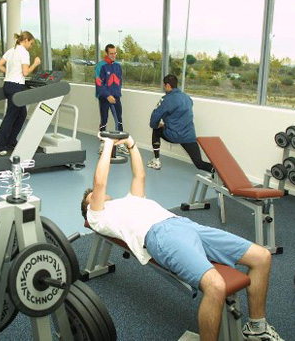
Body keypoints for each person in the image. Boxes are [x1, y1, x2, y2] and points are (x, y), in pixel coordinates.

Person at [80, 133, 284, 341]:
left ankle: (257, 328)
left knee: (261, 257)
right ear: (89, 208)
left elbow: (139, 176)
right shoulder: (98, 216)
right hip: (160, 235)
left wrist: (132, 145)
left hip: (186, 225)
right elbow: (99, 183)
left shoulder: (129, 200)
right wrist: (107, 146)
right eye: (92, 198)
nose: (100, 196)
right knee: (216, 286)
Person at [0, 31, 41, 155]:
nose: (31, 46)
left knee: (21, 114)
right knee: (11, 116)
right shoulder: (24, 52)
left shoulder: (11, 50)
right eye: (31, 43)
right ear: (26, 40)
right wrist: (35, 63)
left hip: (8, 85)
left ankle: (11, 141)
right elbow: (25, 72)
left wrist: (9, 72)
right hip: (16, 87)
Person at [147, 74, 212, 171]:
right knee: (199, 163)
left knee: (156, 129)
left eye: (164, 86)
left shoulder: (166, 99)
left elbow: (155, 117)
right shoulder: (187, 98)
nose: (164, 88)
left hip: (174, 135)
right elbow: (180, 114)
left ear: (168, 85)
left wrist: (155, 125)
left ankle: (156, 161)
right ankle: (219, 173)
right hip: (189, 136)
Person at [95, 44, 127, 155]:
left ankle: (121, 144)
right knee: (104, 120)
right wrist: (107, 96)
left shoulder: (118, 66)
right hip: (104, 98)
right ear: (106, 54)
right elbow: (99, 83)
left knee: (119, 120)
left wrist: (116, 94)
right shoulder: (101, 66)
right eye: (111, 53)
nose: (114, 55)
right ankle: (103, 144)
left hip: (116, 98)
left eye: (115, 53)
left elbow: (119, 82)